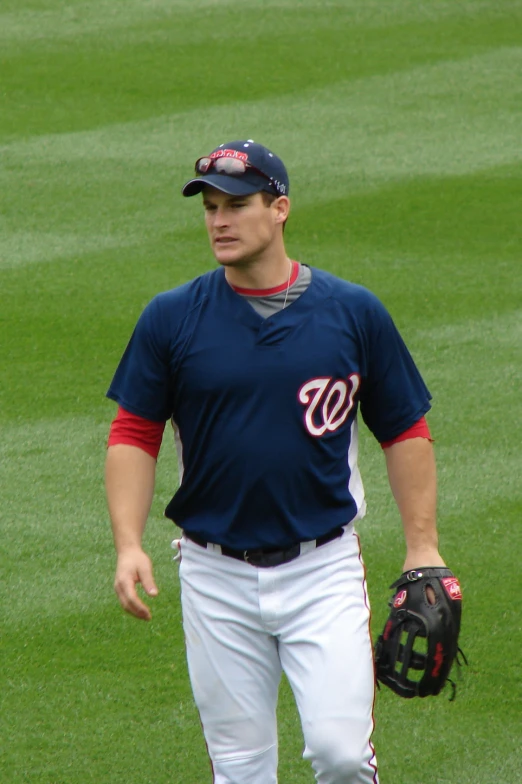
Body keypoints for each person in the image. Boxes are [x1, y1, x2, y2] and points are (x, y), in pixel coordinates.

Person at [105, 139, 447, 784]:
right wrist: (128, 543)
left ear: (280, 208)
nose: (218, 221)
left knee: (343, 757)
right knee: (241, 771)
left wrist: (421, 547)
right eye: (209, 207)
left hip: (323, 571)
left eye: (235, 205)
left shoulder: (353, 313)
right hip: (214, 575)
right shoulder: (171, 318)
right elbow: (133, 431)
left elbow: (405, 429)